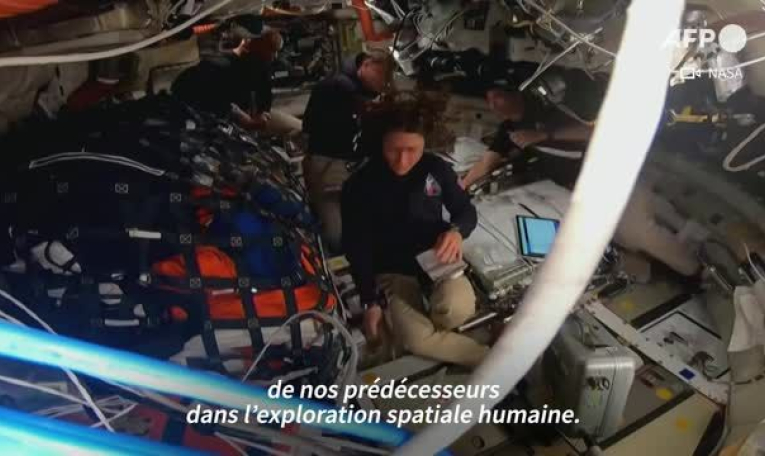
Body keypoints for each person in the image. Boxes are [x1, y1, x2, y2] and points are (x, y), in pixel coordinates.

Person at [341, 102, 490, 367]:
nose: (403, 161)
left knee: (456, 310)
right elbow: (357, 247)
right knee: (415, 340)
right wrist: (369, 302)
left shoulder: (436, 169)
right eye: (394, 150)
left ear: (424, 145)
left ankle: (435, 325)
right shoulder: (358, 185)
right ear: (381, 143)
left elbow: (465, 211)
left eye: (412, 150)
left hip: (436, 256)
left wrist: (457, 232)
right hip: (392, 269)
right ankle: (489, 359)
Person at [302, 50, 391, 251]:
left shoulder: (355, 90)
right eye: (382, 76)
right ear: (366, 65)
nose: (384, 83)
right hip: (328, 165)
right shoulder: (339, 86)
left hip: (349, 165)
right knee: (337, 236)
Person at [172, 20, 299, 134]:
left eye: (275, 52)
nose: (274, 56)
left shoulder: (258, 66)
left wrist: (262, 112)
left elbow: (264, 90)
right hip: (191, 105)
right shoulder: (225, 67)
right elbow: (216, 96)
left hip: (210, 104)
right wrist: (240, 114)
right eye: (272, 50)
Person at [461, 89, 593, 189]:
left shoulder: (544, 107)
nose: (492, 105)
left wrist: (544, 134)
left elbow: (590, 132)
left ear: (515, 94)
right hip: (566, 184)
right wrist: (462, 186)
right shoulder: (508, 128)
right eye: (489, 101)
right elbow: (486, 163)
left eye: (497, 97)